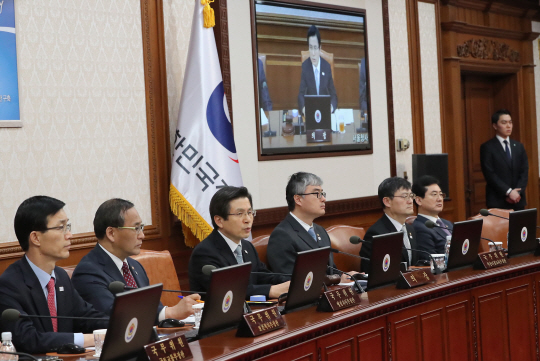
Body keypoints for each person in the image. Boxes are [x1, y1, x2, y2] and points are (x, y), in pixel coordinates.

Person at [0, 196, 108, 354]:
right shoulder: (9, 285)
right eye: (61, 228)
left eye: (68, 226)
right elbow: (29, 339)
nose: (69, 235)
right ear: (36, 238)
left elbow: (87, 317)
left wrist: (123, 325)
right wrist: (93, 339)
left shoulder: (60, 276)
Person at [72, 199, 200, 324]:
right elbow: (112, 316)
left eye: (141, 227)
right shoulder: (88, 272)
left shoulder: (134, 266)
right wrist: (169, 313)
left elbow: (153, 308)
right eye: (136, 228)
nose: (142, 235)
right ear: (111, 233)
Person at [189, 186, 290, 299]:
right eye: (239, 214)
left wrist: (293, 281)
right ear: (219, 221)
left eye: (250, 212)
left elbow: (265, 277)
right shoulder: (205, 253)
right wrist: (270, 290)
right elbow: (228, 290)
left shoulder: (247, 247)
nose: (247, 219)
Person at [267, 172, 357, 282]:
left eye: (322, 193)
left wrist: (346, 276)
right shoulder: (282, 235)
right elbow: (291, 281)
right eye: (317, 194)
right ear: (298, 199)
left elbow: (331, 271)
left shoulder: (320, 231)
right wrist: (336, 280)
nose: (323, 199)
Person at [360, 177, 419, 273]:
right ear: (387, 201)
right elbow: (372, 272)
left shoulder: (410, 229)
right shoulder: (377, 233)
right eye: (404, 196)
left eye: (411, 196)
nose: (410, 201)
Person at [480, 109, 529, 210]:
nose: (508, 126)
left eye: (510, 122)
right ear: (495, 126)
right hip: (498, 200)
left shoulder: (519, 146)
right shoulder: (487, 147)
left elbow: (524, 171)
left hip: (518, 200)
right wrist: (508, 192)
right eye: (504, 122)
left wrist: (517, 193)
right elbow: (490, 174)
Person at [298, 25, 338, 115]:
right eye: (310, 47)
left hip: (325, 112)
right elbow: (301, 95)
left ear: (320, 48)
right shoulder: (305, 66)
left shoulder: (326, 67)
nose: (312, 53)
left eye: (315, 48)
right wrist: (304, 109)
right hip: (311, 112)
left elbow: (333, 95)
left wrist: (331, 108)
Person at [411, 175, 453, 260]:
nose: (440, 199)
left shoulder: (448, 223)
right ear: (419, 200)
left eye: (441, 194)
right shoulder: (419, 228)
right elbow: (431, 261)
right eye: (434, 195)